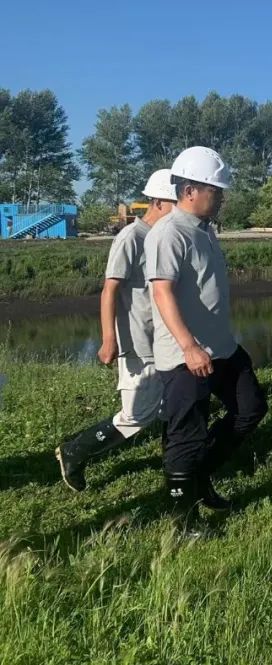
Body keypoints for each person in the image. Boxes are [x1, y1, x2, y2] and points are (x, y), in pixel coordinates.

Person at [145, 146, 268, 523]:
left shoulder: (205, 230)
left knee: (251, 408)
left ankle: (201, 477)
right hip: (187, 355)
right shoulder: (169, 233)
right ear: (191, 191)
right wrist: (189, 347)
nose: (222, 197)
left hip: (221, 348)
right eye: (217, 190)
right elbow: (161, 291)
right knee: (186, 434)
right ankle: (184, 520)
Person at [55, 169, 177, 491]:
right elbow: (110, 290)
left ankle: (176, 465)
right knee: (134, 415)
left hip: (161, 339)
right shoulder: (130, 238)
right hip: (138, 342)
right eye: (176, 205)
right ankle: (75, 451)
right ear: (161, 202)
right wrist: (108, 340)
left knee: (170, 406)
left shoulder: (161, 238)